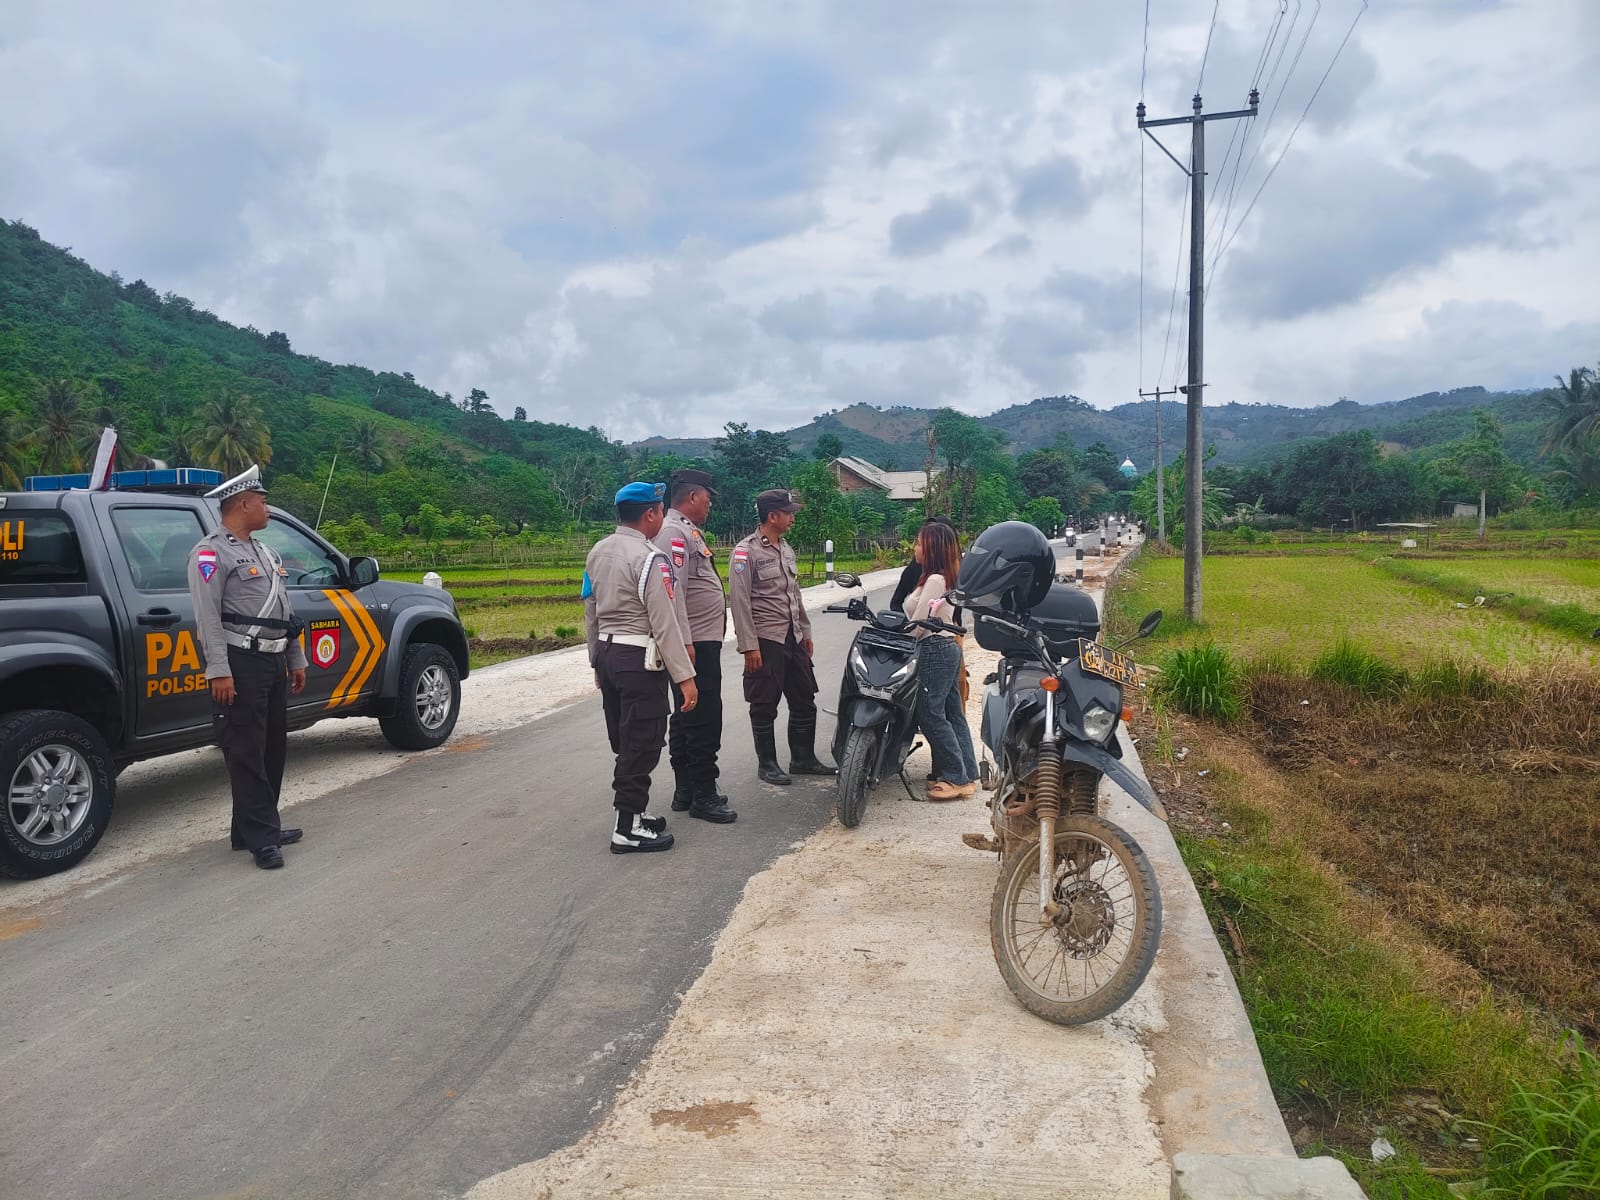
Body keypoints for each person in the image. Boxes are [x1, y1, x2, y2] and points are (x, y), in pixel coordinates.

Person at [188, 464, 308, 870]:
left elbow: (285, 612)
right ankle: (262, 838)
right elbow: (207, 617)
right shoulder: (210, 553)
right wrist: (218, 670)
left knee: (273, 746)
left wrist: (295, 658)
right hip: (240, 662)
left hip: (272, 660)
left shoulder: (264, 551)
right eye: (262, 500)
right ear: (243, 503)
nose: (267, 507)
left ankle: (256, 826)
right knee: (245, 750)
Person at [584, 482, 698, 853]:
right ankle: (626, 828)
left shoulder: (598, 552)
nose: (662, 516)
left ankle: (636, 812)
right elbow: (663, 622)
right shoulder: (651, 558)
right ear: (650, 514)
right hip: (638, 660)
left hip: (608, 652)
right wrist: (685, 678)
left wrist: (595, 662)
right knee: (643, 741)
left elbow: (590, 610)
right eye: (661, 510)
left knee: (625, 738)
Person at [729, 488, 836, 785]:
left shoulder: (786, 548)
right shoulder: (745, 552)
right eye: (788, 513)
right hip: (765, 638)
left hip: (792, 636)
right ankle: (767, 765)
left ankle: (803, 758)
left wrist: (806, 631)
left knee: (804, 698)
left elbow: (794, 595)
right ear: (772, 516)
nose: (792, 517)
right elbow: (739, 602)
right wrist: (749, 646)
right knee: (764, 704)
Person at [653, 468, 735, 824]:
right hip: (694, 643)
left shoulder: (686, 530)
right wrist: (684, 643)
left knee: (688, 714)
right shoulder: (674, 532)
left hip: (699, 640)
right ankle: (704, 794)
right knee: (702, 717)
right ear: (692, 497)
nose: (711, 502)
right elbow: (674, 593)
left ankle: (686, 789)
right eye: (708, 497)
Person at [902, 522, 978, 801]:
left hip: (934, 648)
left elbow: (920, 624)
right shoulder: (943, 577)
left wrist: (897, 638)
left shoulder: (935, 580)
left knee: (930, 713)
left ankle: (955, 777)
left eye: (920, 543)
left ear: (932, 548)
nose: (915, 547)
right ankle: (967, 775)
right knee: (952, 713)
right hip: (946, 648)